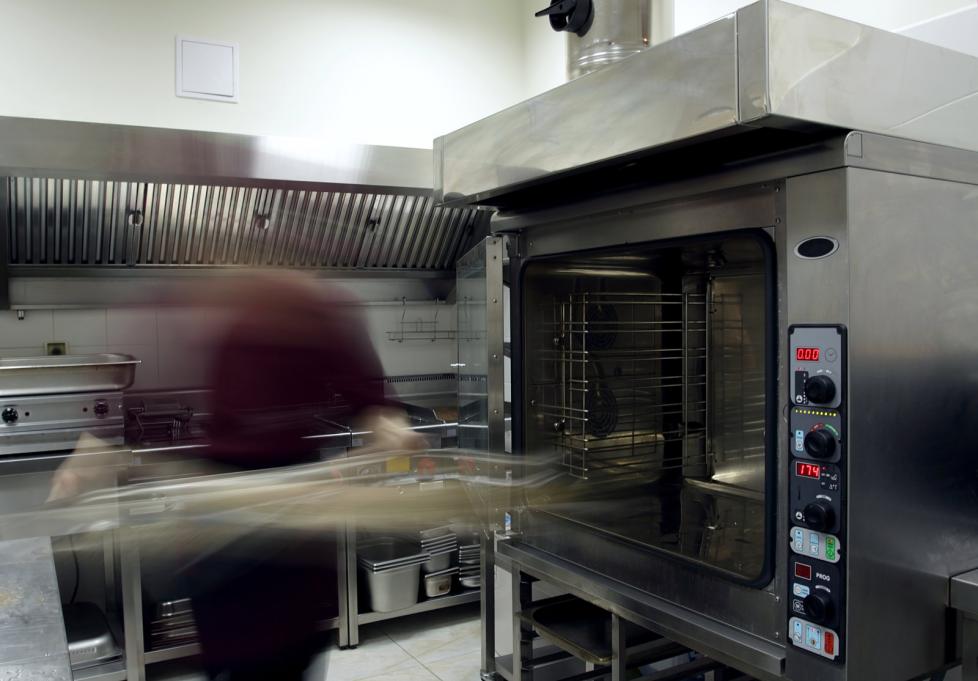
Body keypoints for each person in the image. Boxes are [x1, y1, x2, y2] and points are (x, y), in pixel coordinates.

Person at [184, 273, 422, 681]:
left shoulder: (313, 306)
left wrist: (393, 428)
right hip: (222, 516)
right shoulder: (213, 302)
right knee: (233, 655)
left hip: (289, 522)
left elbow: (370, 397)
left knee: (280, 656)